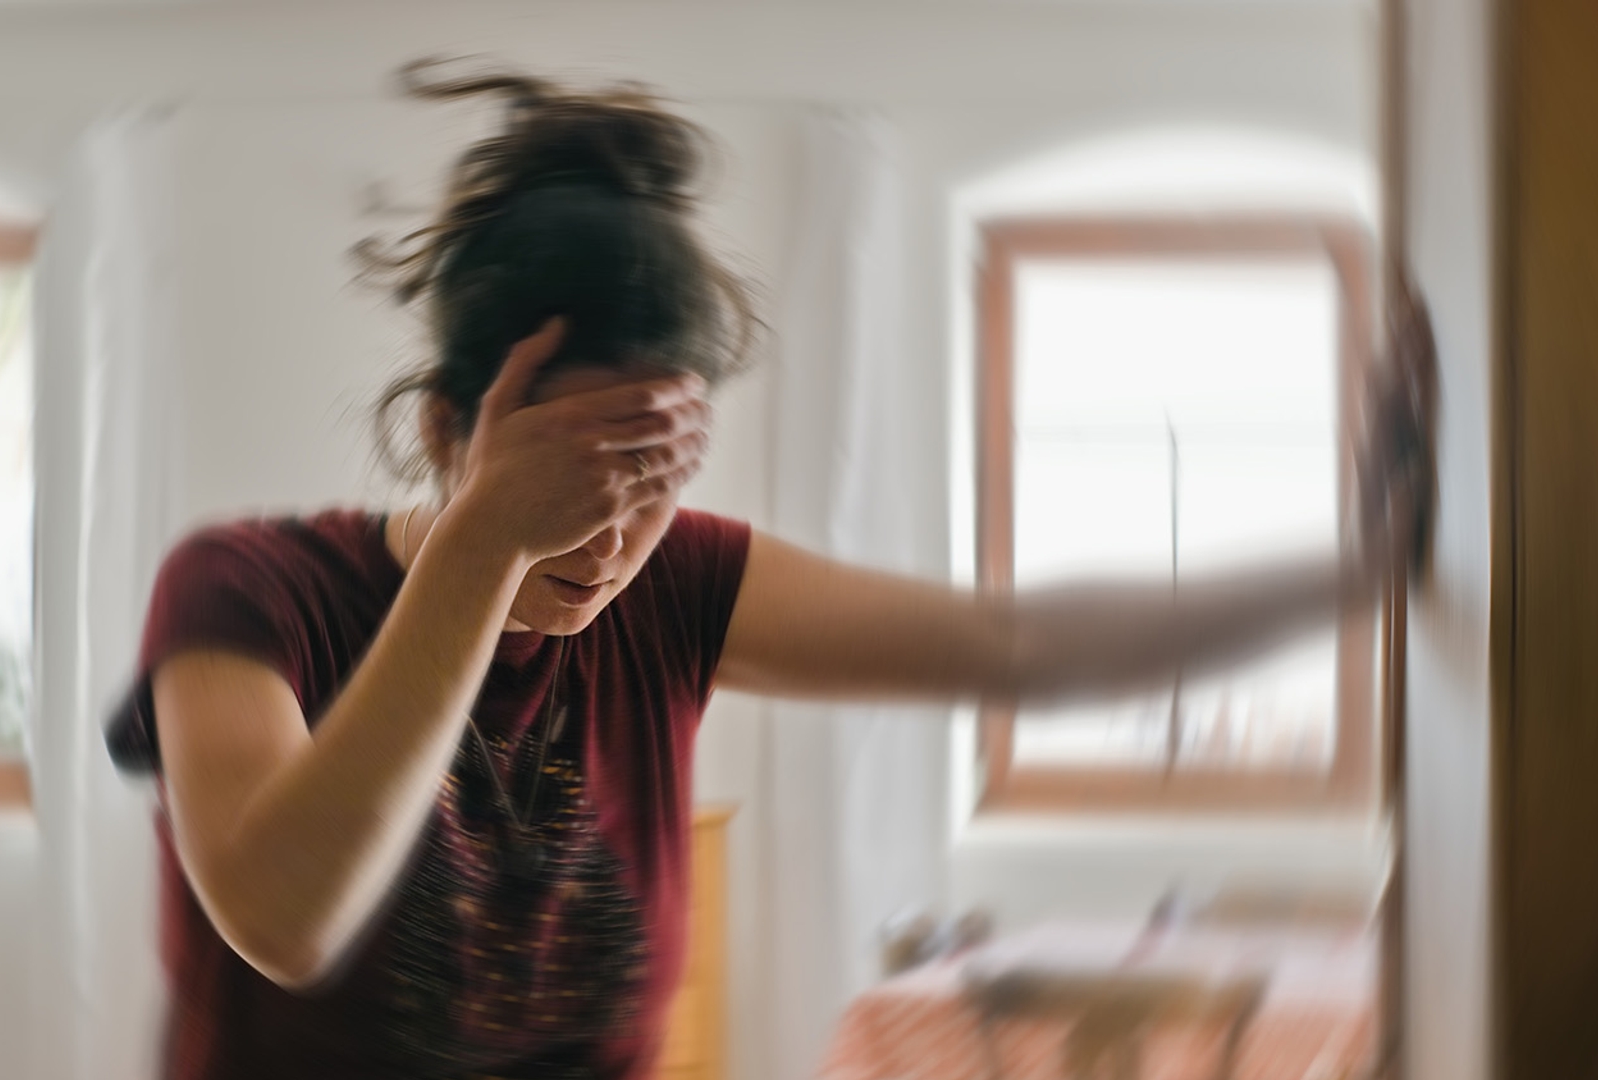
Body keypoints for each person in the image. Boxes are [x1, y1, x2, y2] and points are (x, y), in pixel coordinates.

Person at [104, 60, 1435, 1080]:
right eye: (560, 480)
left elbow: (1021, 646)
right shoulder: (245, 592)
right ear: (447, 432)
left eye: (646, 484)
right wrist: (488, 544)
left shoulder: (679, 589)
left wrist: (1364, 566)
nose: (602, 542)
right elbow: (285, 915)